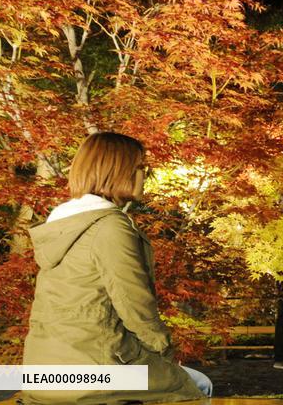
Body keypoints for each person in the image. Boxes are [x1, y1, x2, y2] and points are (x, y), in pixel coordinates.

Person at [21, 132, 211, 404]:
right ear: (118, 171)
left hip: (43, 370)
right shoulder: (110, 226)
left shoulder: (62, 226)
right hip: (93, 372)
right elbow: (134, 304)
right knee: (197, 387)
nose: (146, 175)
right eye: (141, 168)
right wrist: (164, 352)